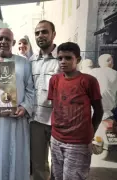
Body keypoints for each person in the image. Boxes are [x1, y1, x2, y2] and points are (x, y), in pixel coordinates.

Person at [0, 28, 34, 180]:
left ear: (13, 43)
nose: (3, 42)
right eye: (1, 38)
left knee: (14, 154)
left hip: (15, 120)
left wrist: (25, 107)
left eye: (7, 39)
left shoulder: (23, 63)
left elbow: (31, 90)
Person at [48, 42, 103, 180]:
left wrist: (90, 132)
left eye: (68, 58)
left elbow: (99, 110)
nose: (63, 62)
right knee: (56, 176)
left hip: (78, 143)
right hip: (56, 139)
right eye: (60, 58)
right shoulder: (54, 80)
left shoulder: (88, 81)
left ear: (78, 60)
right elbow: (56, 106)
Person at [29, 20, 59, 180]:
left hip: (58, 121)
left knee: (59, 164)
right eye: (37, 32)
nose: (40, 35)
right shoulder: (31, 61)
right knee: (39, 165)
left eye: (44, 32)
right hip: (36, 120)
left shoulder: (63, 58)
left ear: (53, 34)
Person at [89, 54, 117, 133]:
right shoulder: (115, 74)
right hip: (107, 114)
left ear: (99, 63)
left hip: (90, 112)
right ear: (110, 61)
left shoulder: (92, 72)